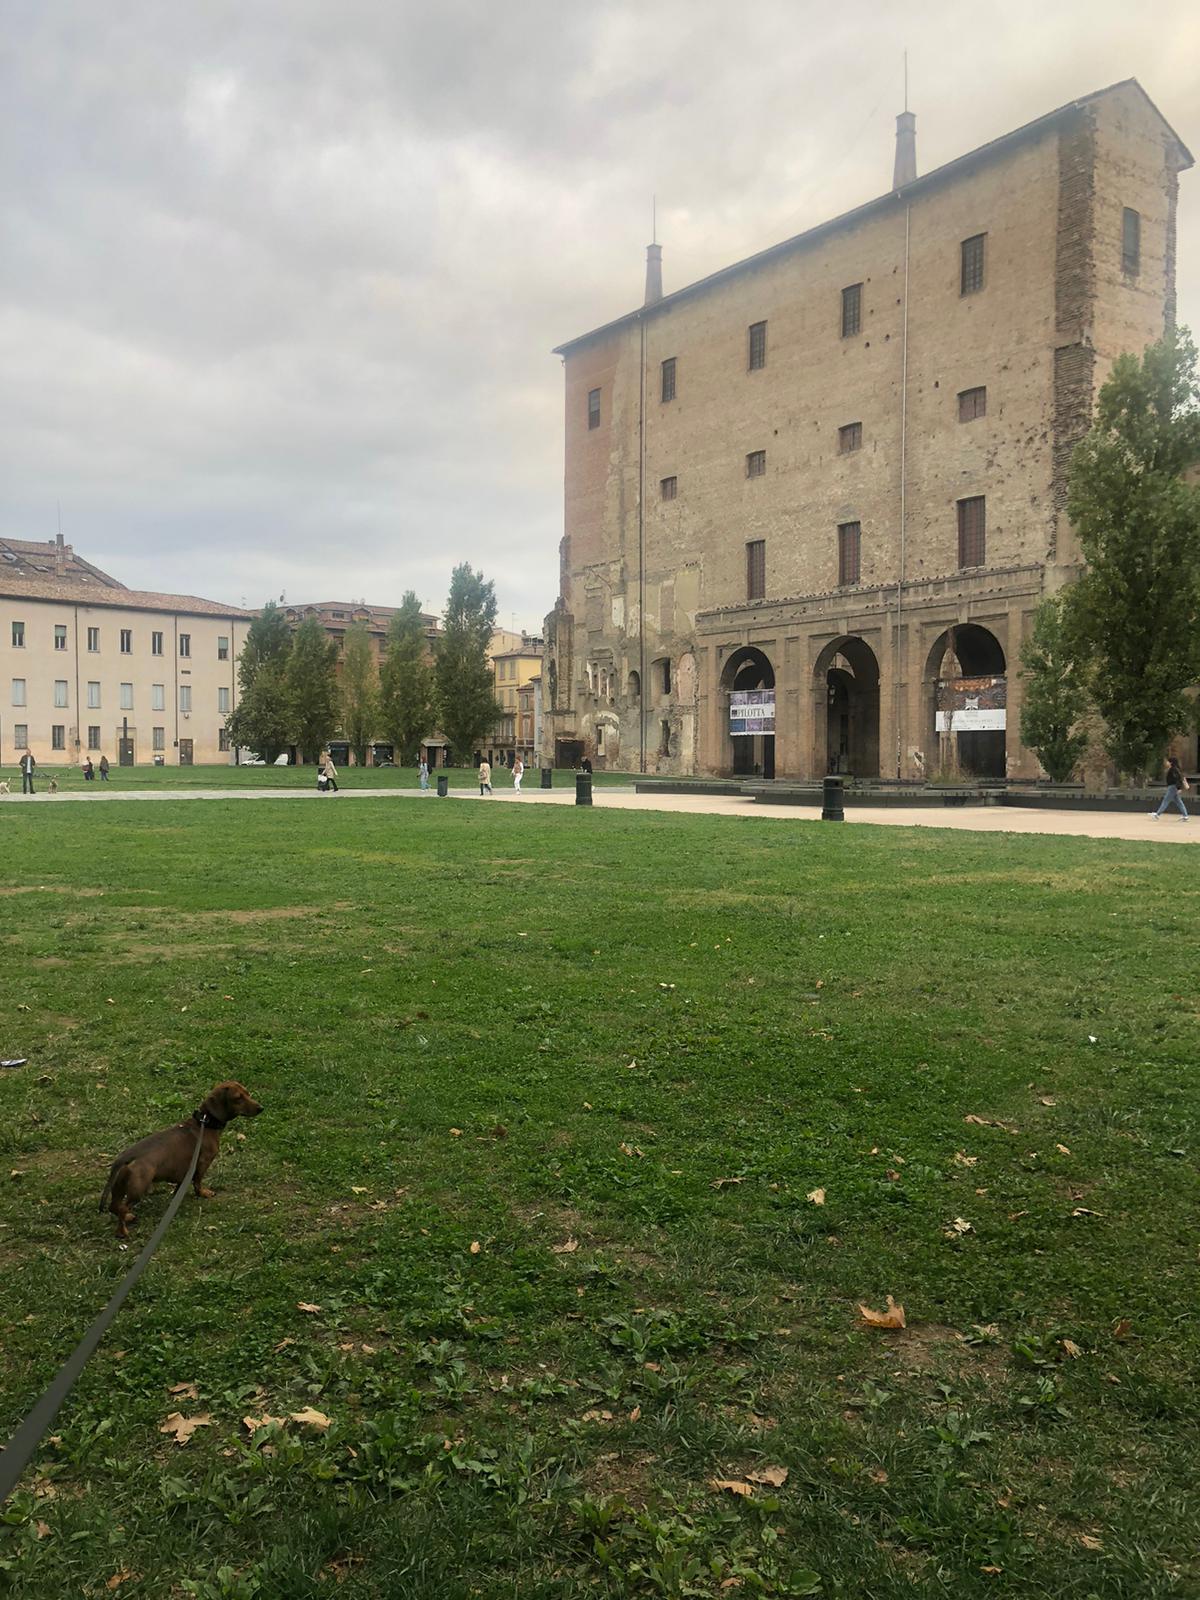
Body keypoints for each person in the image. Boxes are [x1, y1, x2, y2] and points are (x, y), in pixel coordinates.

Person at [1150, 754, 1189, 821]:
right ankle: (1185, 816)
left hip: (1173, 787)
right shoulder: (1174, 769)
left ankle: (1157, 814)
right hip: (1173, 787)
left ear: (1171, 762)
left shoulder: (1173, 769)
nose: (1166, 763)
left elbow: (1177, 779)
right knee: (1178, 802)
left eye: (1168, 761)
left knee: (1166, 800)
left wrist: (1179, 788)